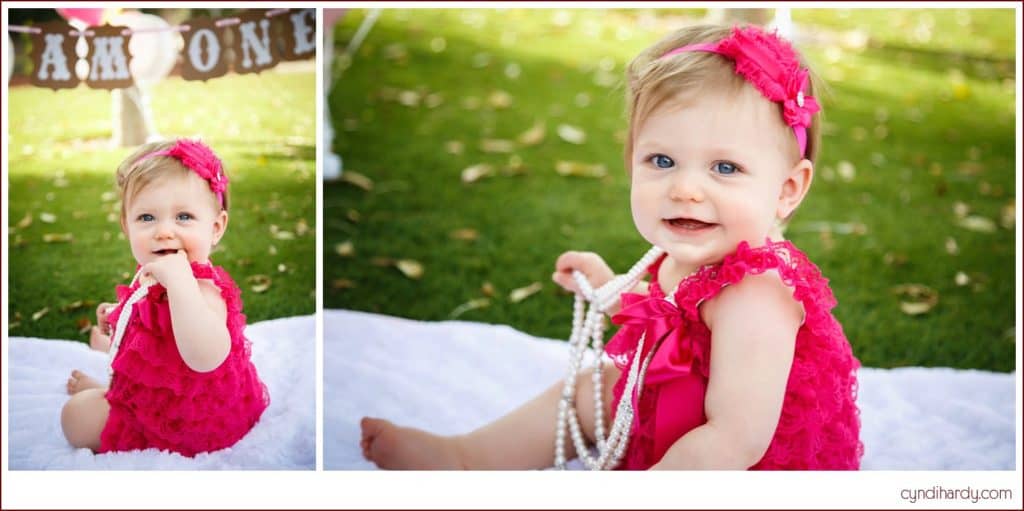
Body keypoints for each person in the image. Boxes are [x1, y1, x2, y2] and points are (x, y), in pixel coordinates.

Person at [359, 23, 863, 470]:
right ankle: (468, 458)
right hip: (682, 415)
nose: (685, 189)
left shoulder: (757, 293)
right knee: (596, 387)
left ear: (787, 190)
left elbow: (734, 440)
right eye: (662, 161)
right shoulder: (697, 250)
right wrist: (612, 291)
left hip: (741, 468)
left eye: (725, 168)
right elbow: (675, 327)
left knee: (634, 400)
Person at [61, 139, 270, 457]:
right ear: (126, 226)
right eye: (147, 218)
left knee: (75, 417)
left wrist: (181, 285)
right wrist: (118, 314)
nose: (164, 231)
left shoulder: (204, 291)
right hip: (165, 394)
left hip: (188, 421)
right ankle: (115, 386)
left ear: (215, 228)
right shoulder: (155, 271)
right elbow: (152, 319)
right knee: (125, 365)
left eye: (183, 217)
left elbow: (205, 357)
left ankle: (110, 396)